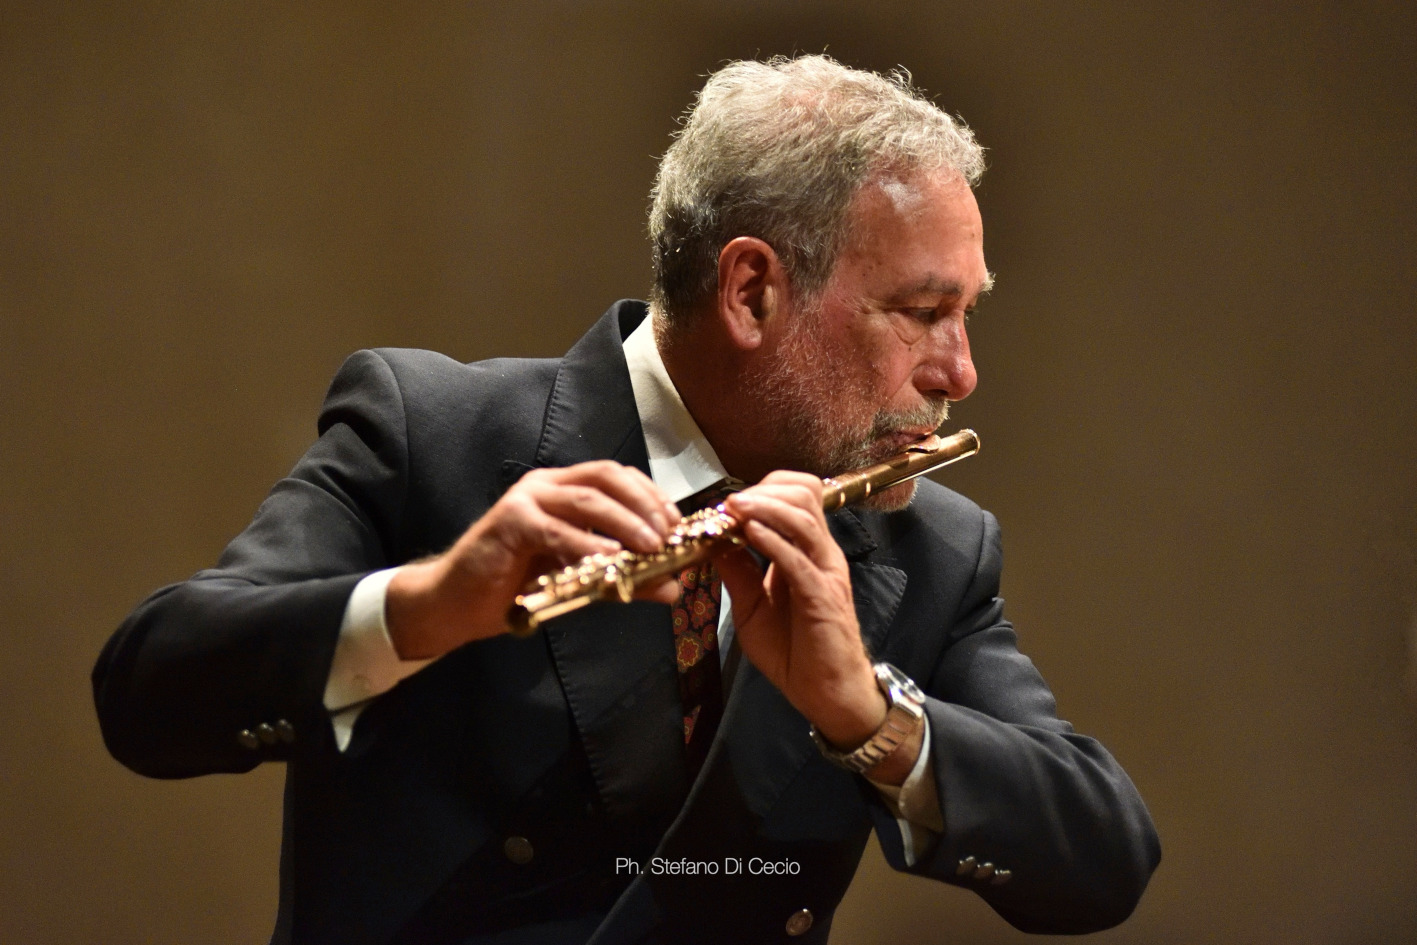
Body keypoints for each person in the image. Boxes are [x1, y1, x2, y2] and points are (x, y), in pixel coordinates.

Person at [94, 55, 1160, 945]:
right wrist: (430, 604)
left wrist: (869, 717)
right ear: (751, 292)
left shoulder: (926, 547)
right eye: (923, 313)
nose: (959, 372)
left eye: (965, 314)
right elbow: (147, 690)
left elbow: (1103, 856)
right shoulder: (436, 433)